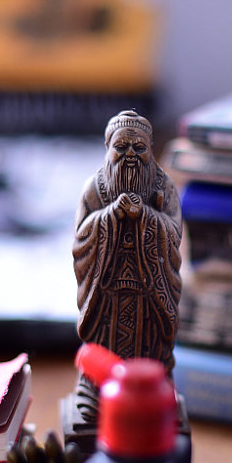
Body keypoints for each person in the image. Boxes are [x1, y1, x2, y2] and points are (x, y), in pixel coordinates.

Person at [72, 110, 182, 415]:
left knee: (150, 349)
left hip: (150, 291)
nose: (130, 154)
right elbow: (80, 238)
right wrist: (111, 215)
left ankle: (152, 396)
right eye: (121, 147)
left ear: (151, 149)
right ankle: (96, 394)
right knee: (103, 347)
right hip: (106, 291)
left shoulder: (164, 187)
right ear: (107, 148)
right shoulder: (95, 188)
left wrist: (145, 216)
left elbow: (174, 234)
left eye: (139, 147)